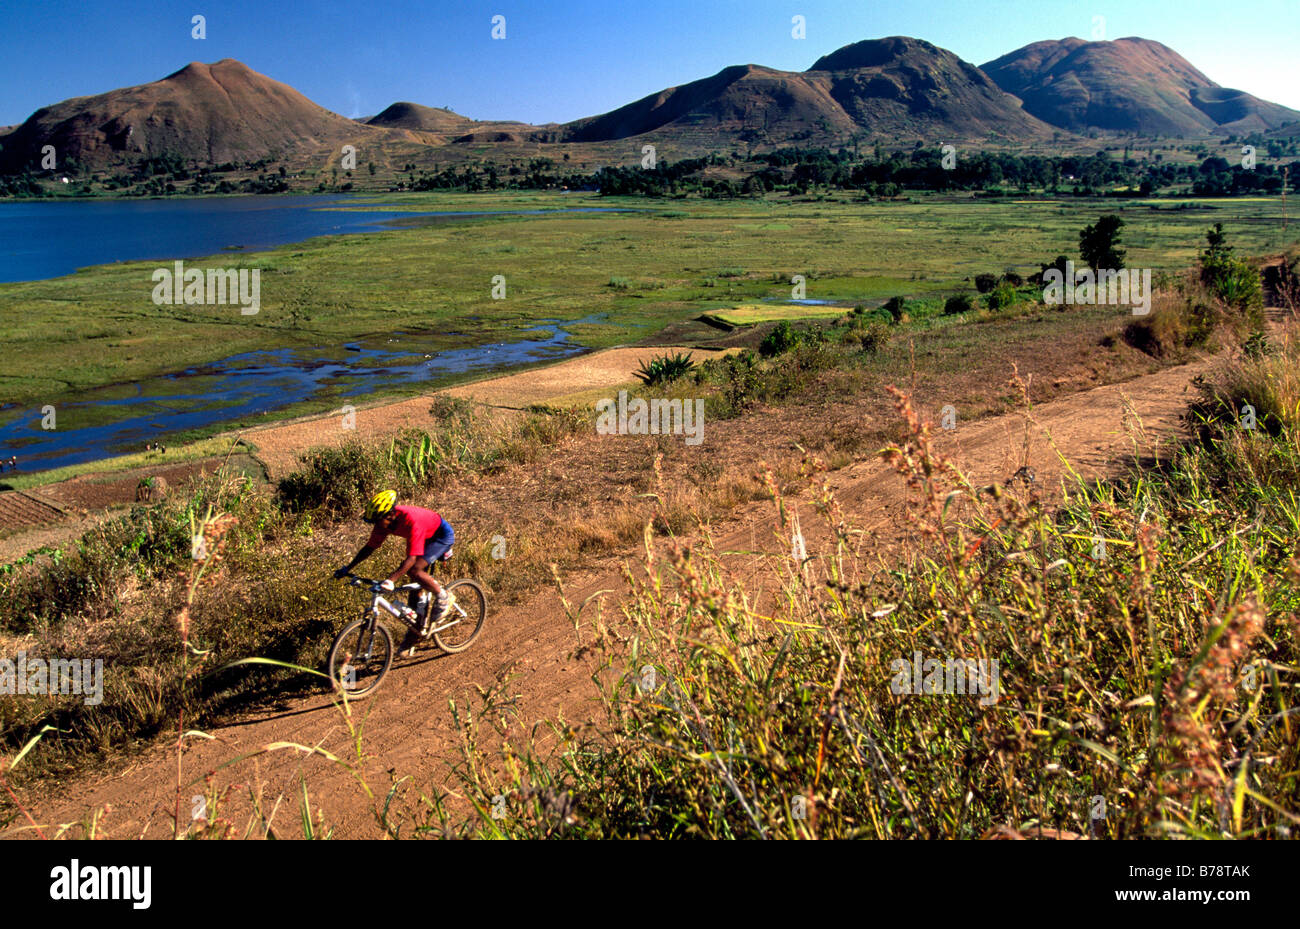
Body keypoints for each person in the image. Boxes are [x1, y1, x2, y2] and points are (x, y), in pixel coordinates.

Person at [334, 490, 456, 636]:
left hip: (440, 536)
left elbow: (411, 558)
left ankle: (444, 596)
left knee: (414, 571)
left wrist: (391, 580)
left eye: (378, 521)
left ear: (391, 515)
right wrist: (347, 568)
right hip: (424, 535)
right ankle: (415, 634)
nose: (376, 526)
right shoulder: (383, 524)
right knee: (415, 590)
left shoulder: (411, 521)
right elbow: (369, 548)